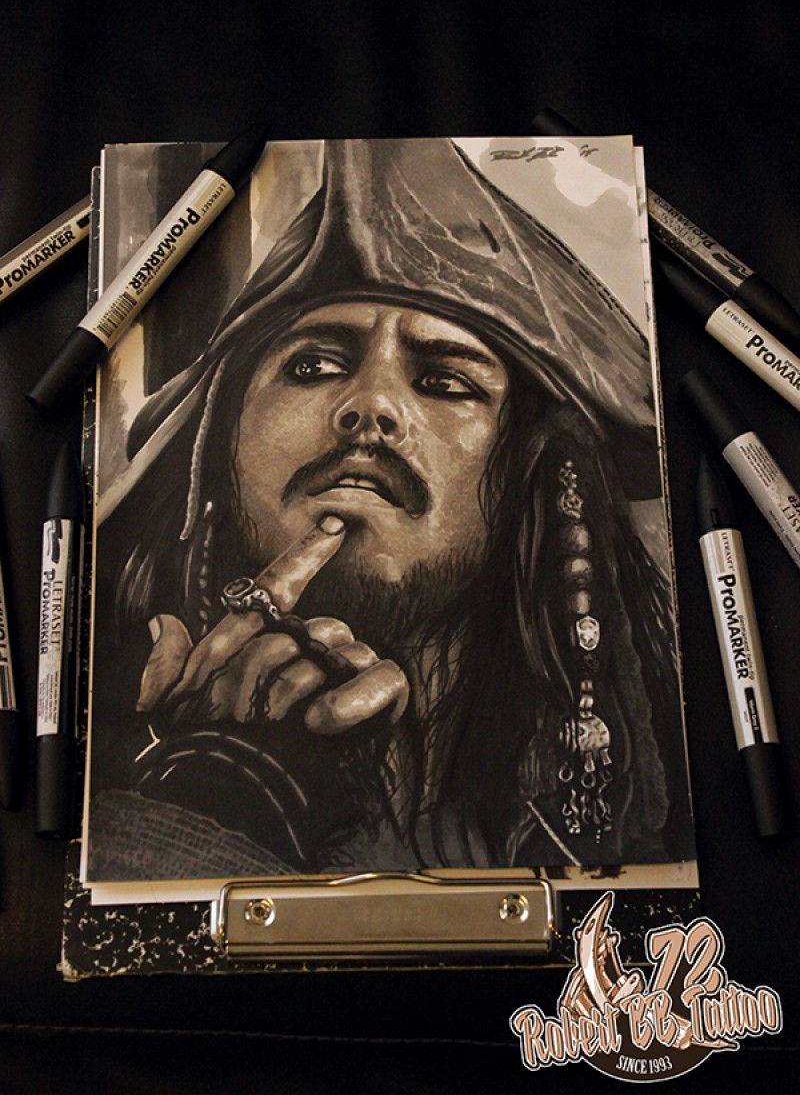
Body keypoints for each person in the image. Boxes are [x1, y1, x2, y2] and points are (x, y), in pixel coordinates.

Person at [86, 138, 694, 881]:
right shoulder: (98, 774)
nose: (370, 406)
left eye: (444, 382)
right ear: (216, 448)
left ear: (530, 473)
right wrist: (215, 790)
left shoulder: (645, 844)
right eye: (312, 365)